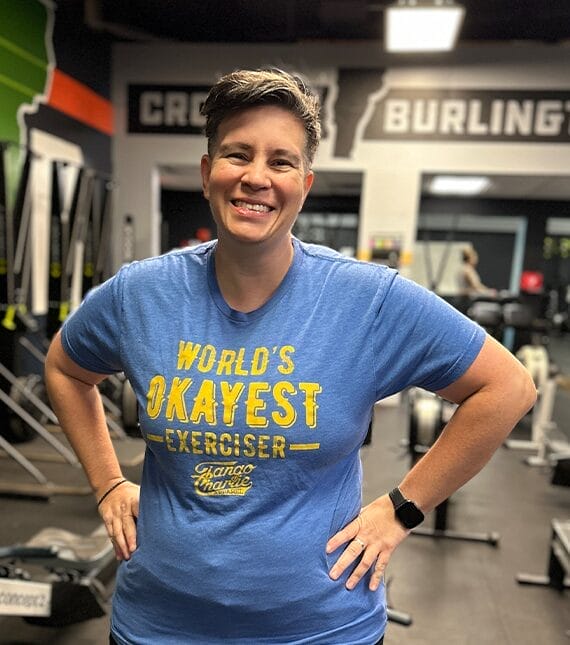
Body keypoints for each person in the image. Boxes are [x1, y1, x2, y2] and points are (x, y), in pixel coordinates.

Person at [44, 68, 536, 645]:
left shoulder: (367, 299)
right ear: (206, 173)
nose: (256, 177)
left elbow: (508, 387)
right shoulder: (141, 293)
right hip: (160, 624)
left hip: (320, 627)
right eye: (237, 154)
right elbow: (65, 367)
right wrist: (108, 483)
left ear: (304, 183)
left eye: (281, 162)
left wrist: (401, 509)